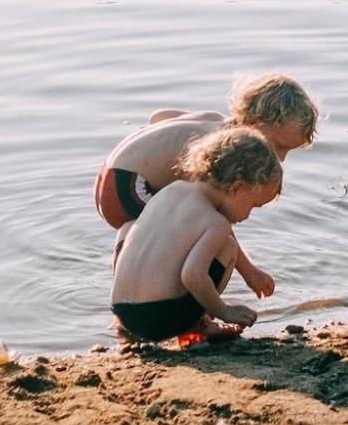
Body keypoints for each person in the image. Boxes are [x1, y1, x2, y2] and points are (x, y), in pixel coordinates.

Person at [95, 73, 316, 296]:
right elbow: (215, 221)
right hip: (129, 188)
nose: (281, 158)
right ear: (255, 125)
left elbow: (158, 117)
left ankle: (125, 303)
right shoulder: (223, 151)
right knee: (211, 237)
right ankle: (197, 318)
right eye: (279, 146)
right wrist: (251, 273)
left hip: (110, 177)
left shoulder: (213, 120)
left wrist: (159, 153)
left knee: (141, 234)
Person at [110, 127, 283, 343]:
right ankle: (200, 324)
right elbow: (192, 275)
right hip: (158, 319)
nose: (248, 215)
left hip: (123, 311)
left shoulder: (172, 189)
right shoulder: (217, 223)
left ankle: (125, 329)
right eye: (254, 205)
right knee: (229, 247)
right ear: (237, 187)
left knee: (129, 227)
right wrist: (224, 310)